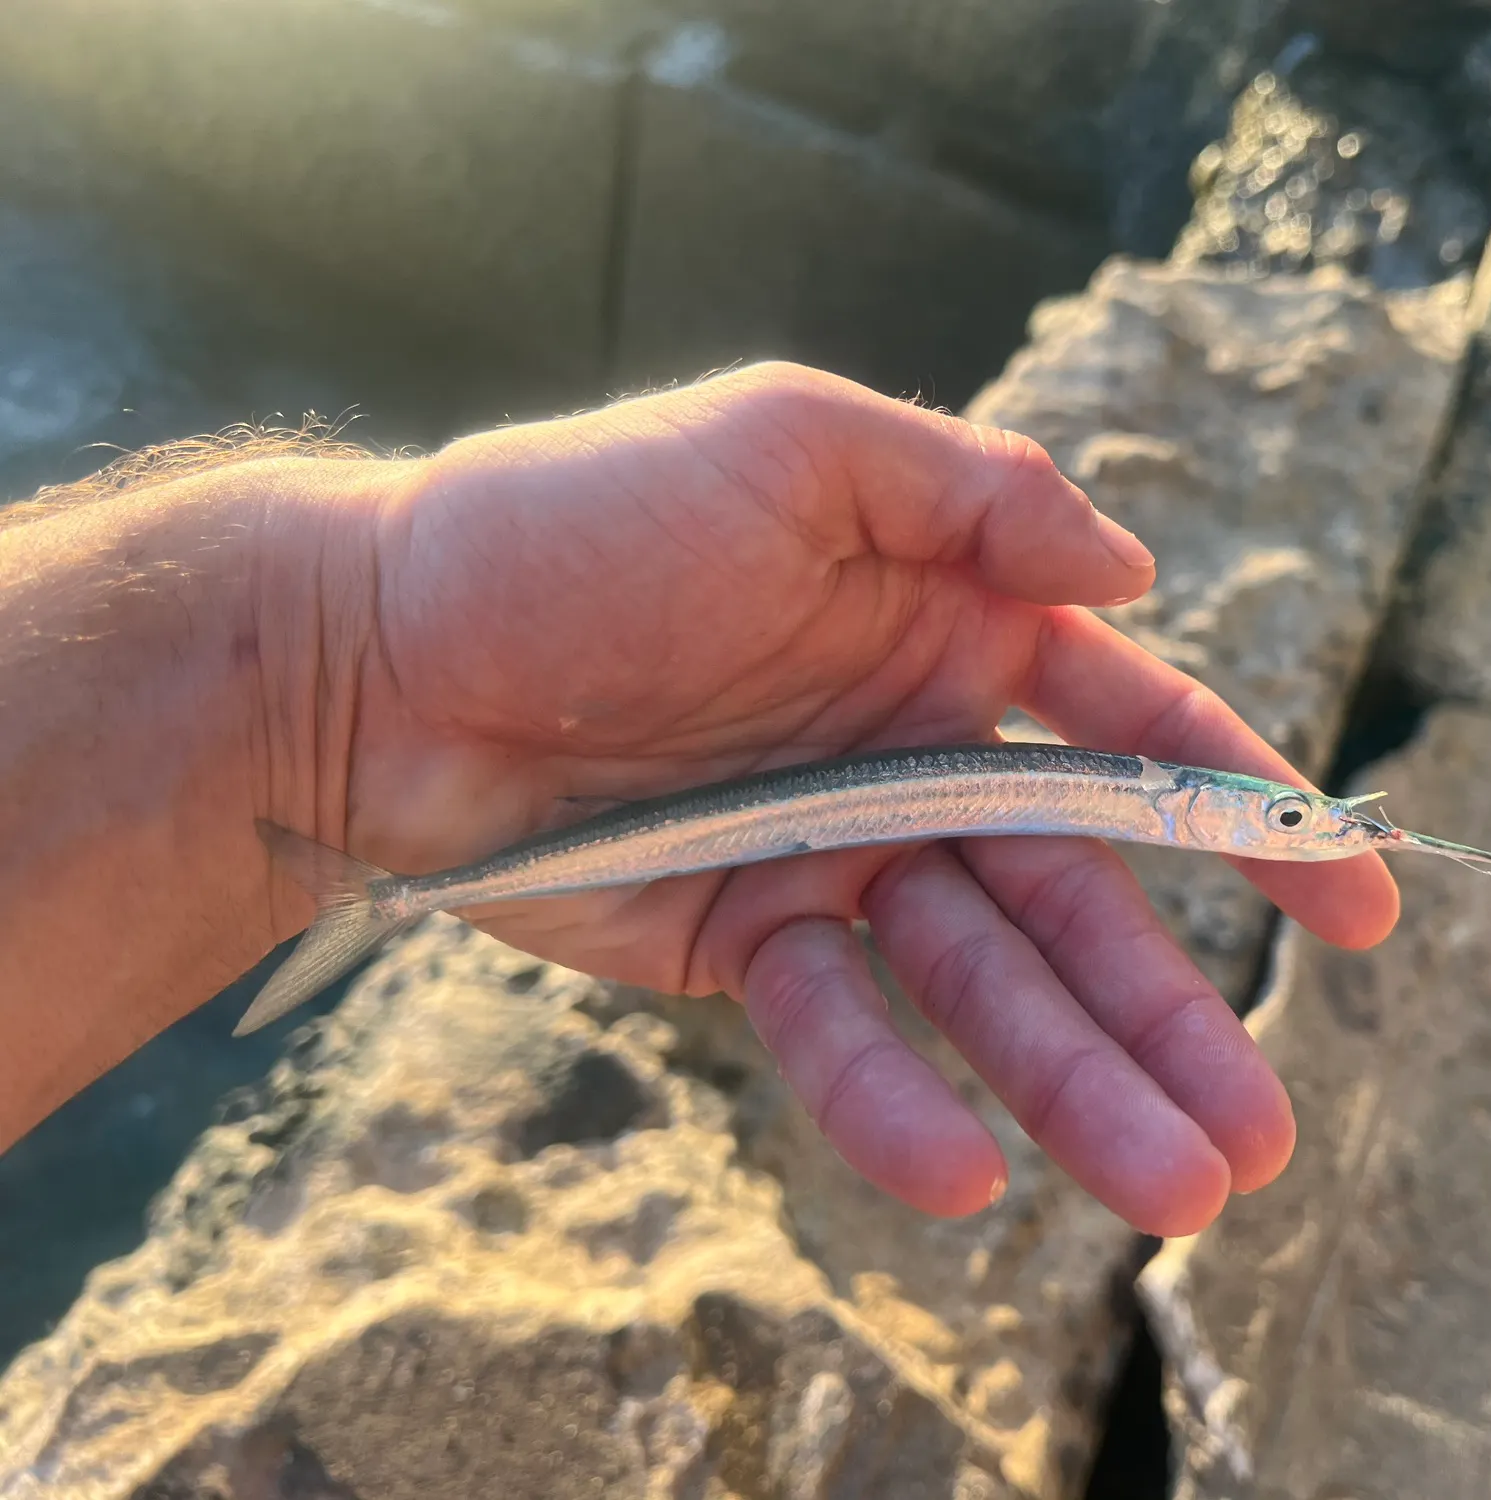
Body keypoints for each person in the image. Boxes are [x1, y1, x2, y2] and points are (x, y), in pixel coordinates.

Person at [0, 362, 1398, 1235]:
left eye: (1275, 824)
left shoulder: (1122, 787)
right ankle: (387, 903)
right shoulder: (1130, 782)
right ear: (1187, 806)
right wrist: (326, 655)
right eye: (1274, 818)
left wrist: (318, 663)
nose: (1284, 822)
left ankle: (388, 900)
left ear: (1169, 810)